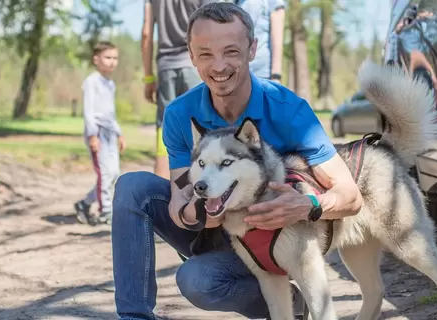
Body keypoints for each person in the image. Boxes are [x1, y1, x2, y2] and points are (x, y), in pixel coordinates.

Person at [111, 3, 362, 320]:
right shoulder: (179, 114)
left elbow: (351, 196)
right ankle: (134, 316)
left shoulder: (289, 110)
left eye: (230, 51)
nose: (218, 65)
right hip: (218, 230)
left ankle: (291, 305)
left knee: (197, 281)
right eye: (205, 54)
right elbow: (181, 196)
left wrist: (307, 205)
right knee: (133, 186)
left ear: (252, 49)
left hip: (277, 238)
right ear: (191, 56)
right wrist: (200, 213)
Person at [141, 0, 213, 180]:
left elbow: (146, 34)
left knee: (164, 128)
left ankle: (163, 191)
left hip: (166, 68)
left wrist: (149, 77)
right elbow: (213, 26)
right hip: (196, 65)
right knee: (203, 128)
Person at [74, 41, 126, 226]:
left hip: (110, 132)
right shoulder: (91, 81)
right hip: (97, 132)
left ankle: (84, 203)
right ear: (96, 59)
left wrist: (119, 133)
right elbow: (89, 111)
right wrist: (92, 135)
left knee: (114, 173)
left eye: (115, 58)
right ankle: (106, 211)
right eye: (108, 57)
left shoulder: (110, 83)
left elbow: (110, 112)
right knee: (105, 173)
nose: (112, 62)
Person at [235, 0, 285, 82]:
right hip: (238, 74)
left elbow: (278, 34)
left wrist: (276, 75)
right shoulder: (237, 2)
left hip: (262, 75)